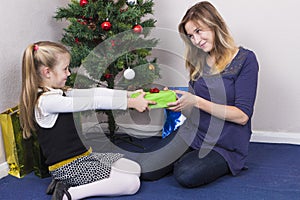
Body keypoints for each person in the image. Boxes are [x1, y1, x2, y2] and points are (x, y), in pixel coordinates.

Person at [136, 1, 259, 188]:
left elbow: (242, 116)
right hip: (193, 132)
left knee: (186, 174)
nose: (196, 40)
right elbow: (192, 111)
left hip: (224, 144)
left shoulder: (245, 59)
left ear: (214, 24)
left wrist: (197, 101)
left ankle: (202, 161)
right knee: (145, 169)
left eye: (199, 31)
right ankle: (187, 158)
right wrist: (178, 103)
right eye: (191, 36)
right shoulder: (198, 60)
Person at [19, 41, 156, 200]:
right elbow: (92, 102)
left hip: (84, 157)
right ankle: (70, 194)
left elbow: (94, 94)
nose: (69, 73)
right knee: (132, 183)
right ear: (47, 72)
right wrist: (130, 104)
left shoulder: (58, 92)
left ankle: (64, 183)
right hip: (68, 167)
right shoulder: (46, 102)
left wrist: (128, 96)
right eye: (65, 69)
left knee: (134, 169)